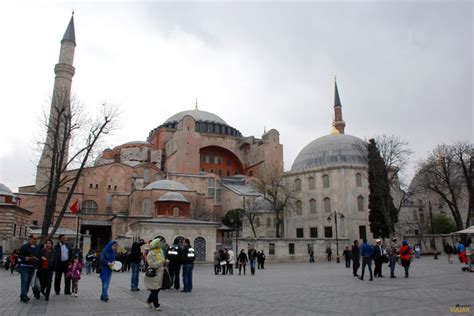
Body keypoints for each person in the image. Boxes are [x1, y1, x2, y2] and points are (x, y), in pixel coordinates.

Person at [144, 238, 166, 311]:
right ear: (156, 244)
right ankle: (156, 305)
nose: (161, 244)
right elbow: (151, 264)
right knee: (154, 290)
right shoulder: (150, 253)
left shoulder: (160, 251)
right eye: (159, 243)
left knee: (158, 289)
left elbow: (162, 260)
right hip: (153, 273)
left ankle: (149, 300)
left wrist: (165, 262)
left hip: (160, 273)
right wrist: (161, 263)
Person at [18, 234, 40, 303]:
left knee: (28, 282)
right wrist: (26, 258)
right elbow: (20, 255)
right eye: (34, 238)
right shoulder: (25, 246)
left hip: (32, 267)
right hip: (24, 266)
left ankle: (23, 295)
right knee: (24, 281)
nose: (35, 240)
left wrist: (37, 259)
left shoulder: (37, 247)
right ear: (30, 239)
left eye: (36, 239)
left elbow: (38, 256)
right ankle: (24, 296)